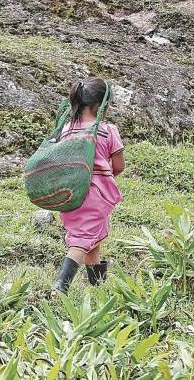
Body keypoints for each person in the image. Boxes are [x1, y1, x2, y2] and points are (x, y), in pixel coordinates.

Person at [53, 78, 125, 294]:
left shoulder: (66, 129)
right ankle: (59, 288)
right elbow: (119, 166)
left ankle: (98, 289)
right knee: (81, 241)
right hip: (96, 196)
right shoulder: (107, 130)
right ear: (102, 105)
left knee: (92, 239)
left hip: (70, 194)